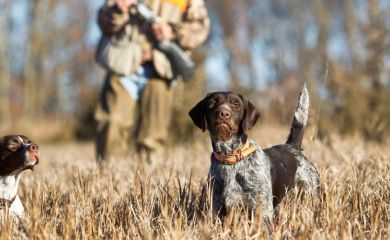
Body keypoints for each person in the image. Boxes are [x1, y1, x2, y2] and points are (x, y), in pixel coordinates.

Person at [94, 0, 210, 163]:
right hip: (123, 63)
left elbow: (201, 29)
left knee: (153, 137)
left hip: (162, 67)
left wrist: (172, 31)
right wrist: (118, 10)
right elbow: (103, 22)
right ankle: (107, 178)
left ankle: (148, 181)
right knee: (111, 126)